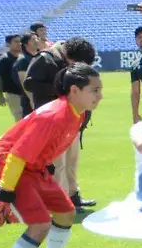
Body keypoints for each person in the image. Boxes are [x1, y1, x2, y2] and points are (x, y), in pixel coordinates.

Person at [0, 64, 103, 248]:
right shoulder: (54, 115)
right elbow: (16, 156)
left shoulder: (75, 112)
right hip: (5, 166)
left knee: (66, 213)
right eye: (95, 90)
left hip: (32, 168)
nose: (100, 95)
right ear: (74, 90)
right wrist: (5, 196)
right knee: (39, 225)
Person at [24, 36, 98, 211]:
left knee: (72, 161)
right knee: (58, 164)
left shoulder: (69, 60)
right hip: (52, 123)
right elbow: (29, 83)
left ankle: (74, 195)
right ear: (69, 55)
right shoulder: (44, 58)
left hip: (72, 121)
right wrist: (62, 89)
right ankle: (61, 202)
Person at [0, 34, 26, 122]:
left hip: (26, 93)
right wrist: (0, 95)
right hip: (13, 94)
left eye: (20, 41)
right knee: (20, 118)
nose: (19, 44)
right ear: (8, 44)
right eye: (16, 41)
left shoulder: (24, 57)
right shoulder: (4, 59)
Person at [14, 31, 40, 120]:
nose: (36, 41)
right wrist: (32, 99)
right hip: (30, 100)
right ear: (26, 44)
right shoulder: (23, 60)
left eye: (37, 38)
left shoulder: (39, 56)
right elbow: (24, 81)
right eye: (33, 39)